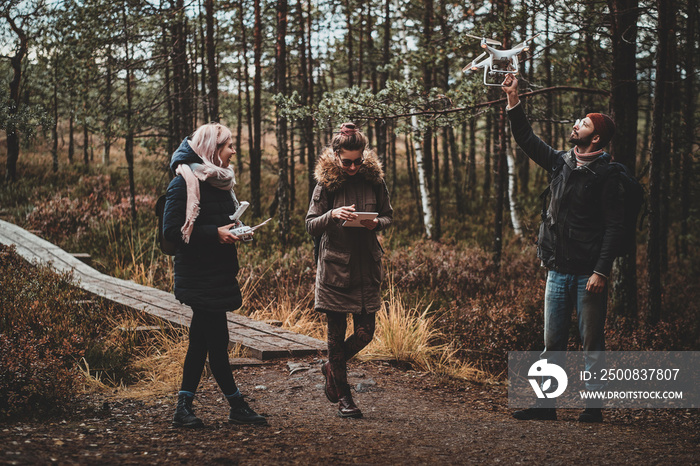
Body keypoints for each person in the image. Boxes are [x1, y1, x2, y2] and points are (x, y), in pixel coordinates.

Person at [502, 75, 625, 423]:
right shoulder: (561, 162)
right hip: (557, 270)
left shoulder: (608, 175)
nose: (575, 124)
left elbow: (615, 228)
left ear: (595, 137)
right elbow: (526, 138)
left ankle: (593, 408)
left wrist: (601, 271)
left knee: (591, 343)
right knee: (552, 343)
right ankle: (545, 406)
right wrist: (514, 100)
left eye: (582, 123)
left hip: (589, 273)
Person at [163, 122, 266, 428]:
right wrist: (215, 234)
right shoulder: (183, 183)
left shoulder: (219, 182)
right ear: (212, 149)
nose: (234, 151)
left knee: (201, 342)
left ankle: (186, 407)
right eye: (229, 146)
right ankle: (235, 404)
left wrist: (234, 231)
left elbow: (217, 222)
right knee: (217, 341)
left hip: (217, 272)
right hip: (198, 275)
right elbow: (171, 232)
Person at [305, 122, 393, 419]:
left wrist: (376, 223)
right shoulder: (326, 184)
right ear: (335, 155)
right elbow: (310, 224)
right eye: (347, 162)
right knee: (335, 337)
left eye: (358, 161)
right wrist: (332, 215)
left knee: (366, 333)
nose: (353, 167)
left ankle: (331, 366)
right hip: (335, 270)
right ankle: (345, 398)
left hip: (367, 267)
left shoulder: (375, 181)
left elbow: (388, 216)